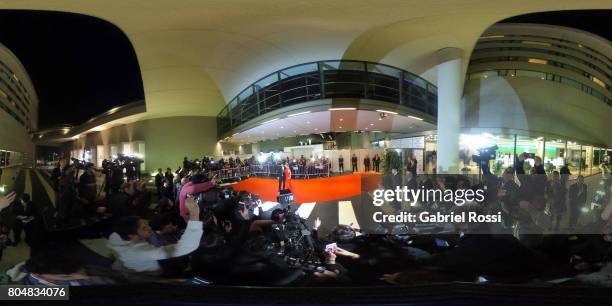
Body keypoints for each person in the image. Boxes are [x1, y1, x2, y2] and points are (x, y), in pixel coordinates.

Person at [107, 195, 203, 274]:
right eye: (144, 228)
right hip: (159, 271)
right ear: (132, 236)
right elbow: (185, 248)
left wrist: (161, 232)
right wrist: (194, 214)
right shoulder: (140, 252)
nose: (150, 228)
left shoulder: (118, 235)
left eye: (147, 225)